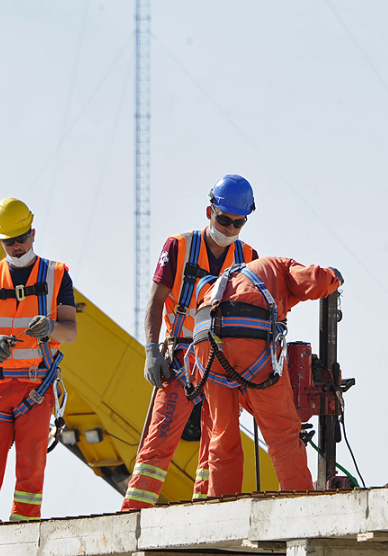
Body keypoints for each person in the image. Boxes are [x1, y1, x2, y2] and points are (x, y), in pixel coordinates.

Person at [121, 175, 258, 510]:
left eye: (238, 223)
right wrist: (151, 352)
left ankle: (206, 510)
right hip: (181, 357)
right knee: (160, 436)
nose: (229, 229)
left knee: (217, 442)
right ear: (209, 212)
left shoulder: (249, 256)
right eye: (223, 220)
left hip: (223, 363)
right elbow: (155, 302)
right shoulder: (178, 247)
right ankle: (134, 511)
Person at [0, 198, 78, 526]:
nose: (17, 246)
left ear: (32, 233)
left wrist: (50, 327)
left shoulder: (56, 275)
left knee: (31, 466)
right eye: (9, 241)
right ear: (0, 240)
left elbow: (70, 331)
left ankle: (23, 526)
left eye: (21, 238)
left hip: (34, 388)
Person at [187, 256, 343, 497]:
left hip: (205, 343)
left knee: (222, 434)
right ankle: (299, 502)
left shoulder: (230, 278)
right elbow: (315, 282)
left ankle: (221, 502)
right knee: (283, 434)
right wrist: (334, 277)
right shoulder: (280, 266)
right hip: (247, 337)